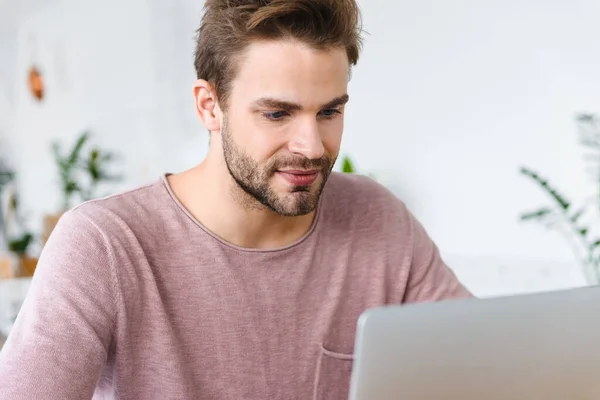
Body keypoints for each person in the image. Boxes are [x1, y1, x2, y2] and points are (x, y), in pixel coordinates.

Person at [0, 0, 472, 398]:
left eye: (329, 111)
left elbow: (483, 361)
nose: (311, 146)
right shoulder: (103, 245)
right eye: (276, 113)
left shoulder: (377, 217)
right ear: (210, 106)